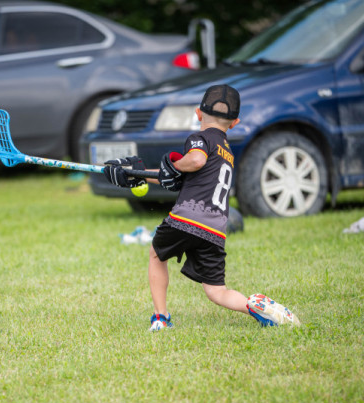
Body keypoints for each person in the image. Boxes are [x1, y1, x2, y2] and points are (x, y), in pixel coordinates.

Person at [103, 84, 300, 331]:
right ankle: (254, 305)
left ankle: (161, 318)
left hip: (188, 218)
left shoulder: (199, 139)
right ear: (235, 122)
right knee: (217, 291)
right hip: (215, 229)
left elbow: (195, 161)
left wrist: (175, 166)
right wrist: (138, 174)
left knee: (156, 254)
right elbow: (179, 175)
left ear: (198, 113)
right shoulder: (226, 152)